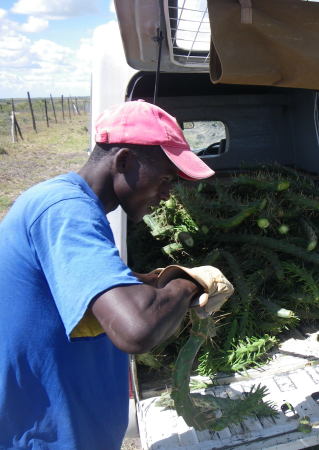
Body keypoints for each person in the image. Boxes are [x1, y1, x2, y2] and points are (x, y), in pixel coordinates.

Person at [0, 100, 233, 450]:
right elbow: (136, 331)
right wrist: (189, 283)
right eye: (166, 178)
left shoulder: (73, 205)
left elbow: (94, 286)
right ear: (123, 161)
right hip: (46, 437)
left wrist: (158, 279)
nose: (168, 194)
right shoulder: (65, 213)